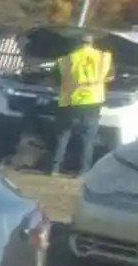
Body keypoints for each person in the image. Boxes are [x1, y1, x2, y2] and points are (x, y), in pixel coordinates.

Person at [48, 32, 114, 175]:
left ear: (78, 44)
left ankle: (54, 168)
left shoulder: (67, 59)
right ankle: (83, 171)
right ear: (92, 43)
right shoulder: (103, 57)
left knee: (64, 135)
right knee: (88, 139)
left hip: (70, 102)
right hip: (93, 102)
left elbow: (55, 79)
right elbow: (111, 77)